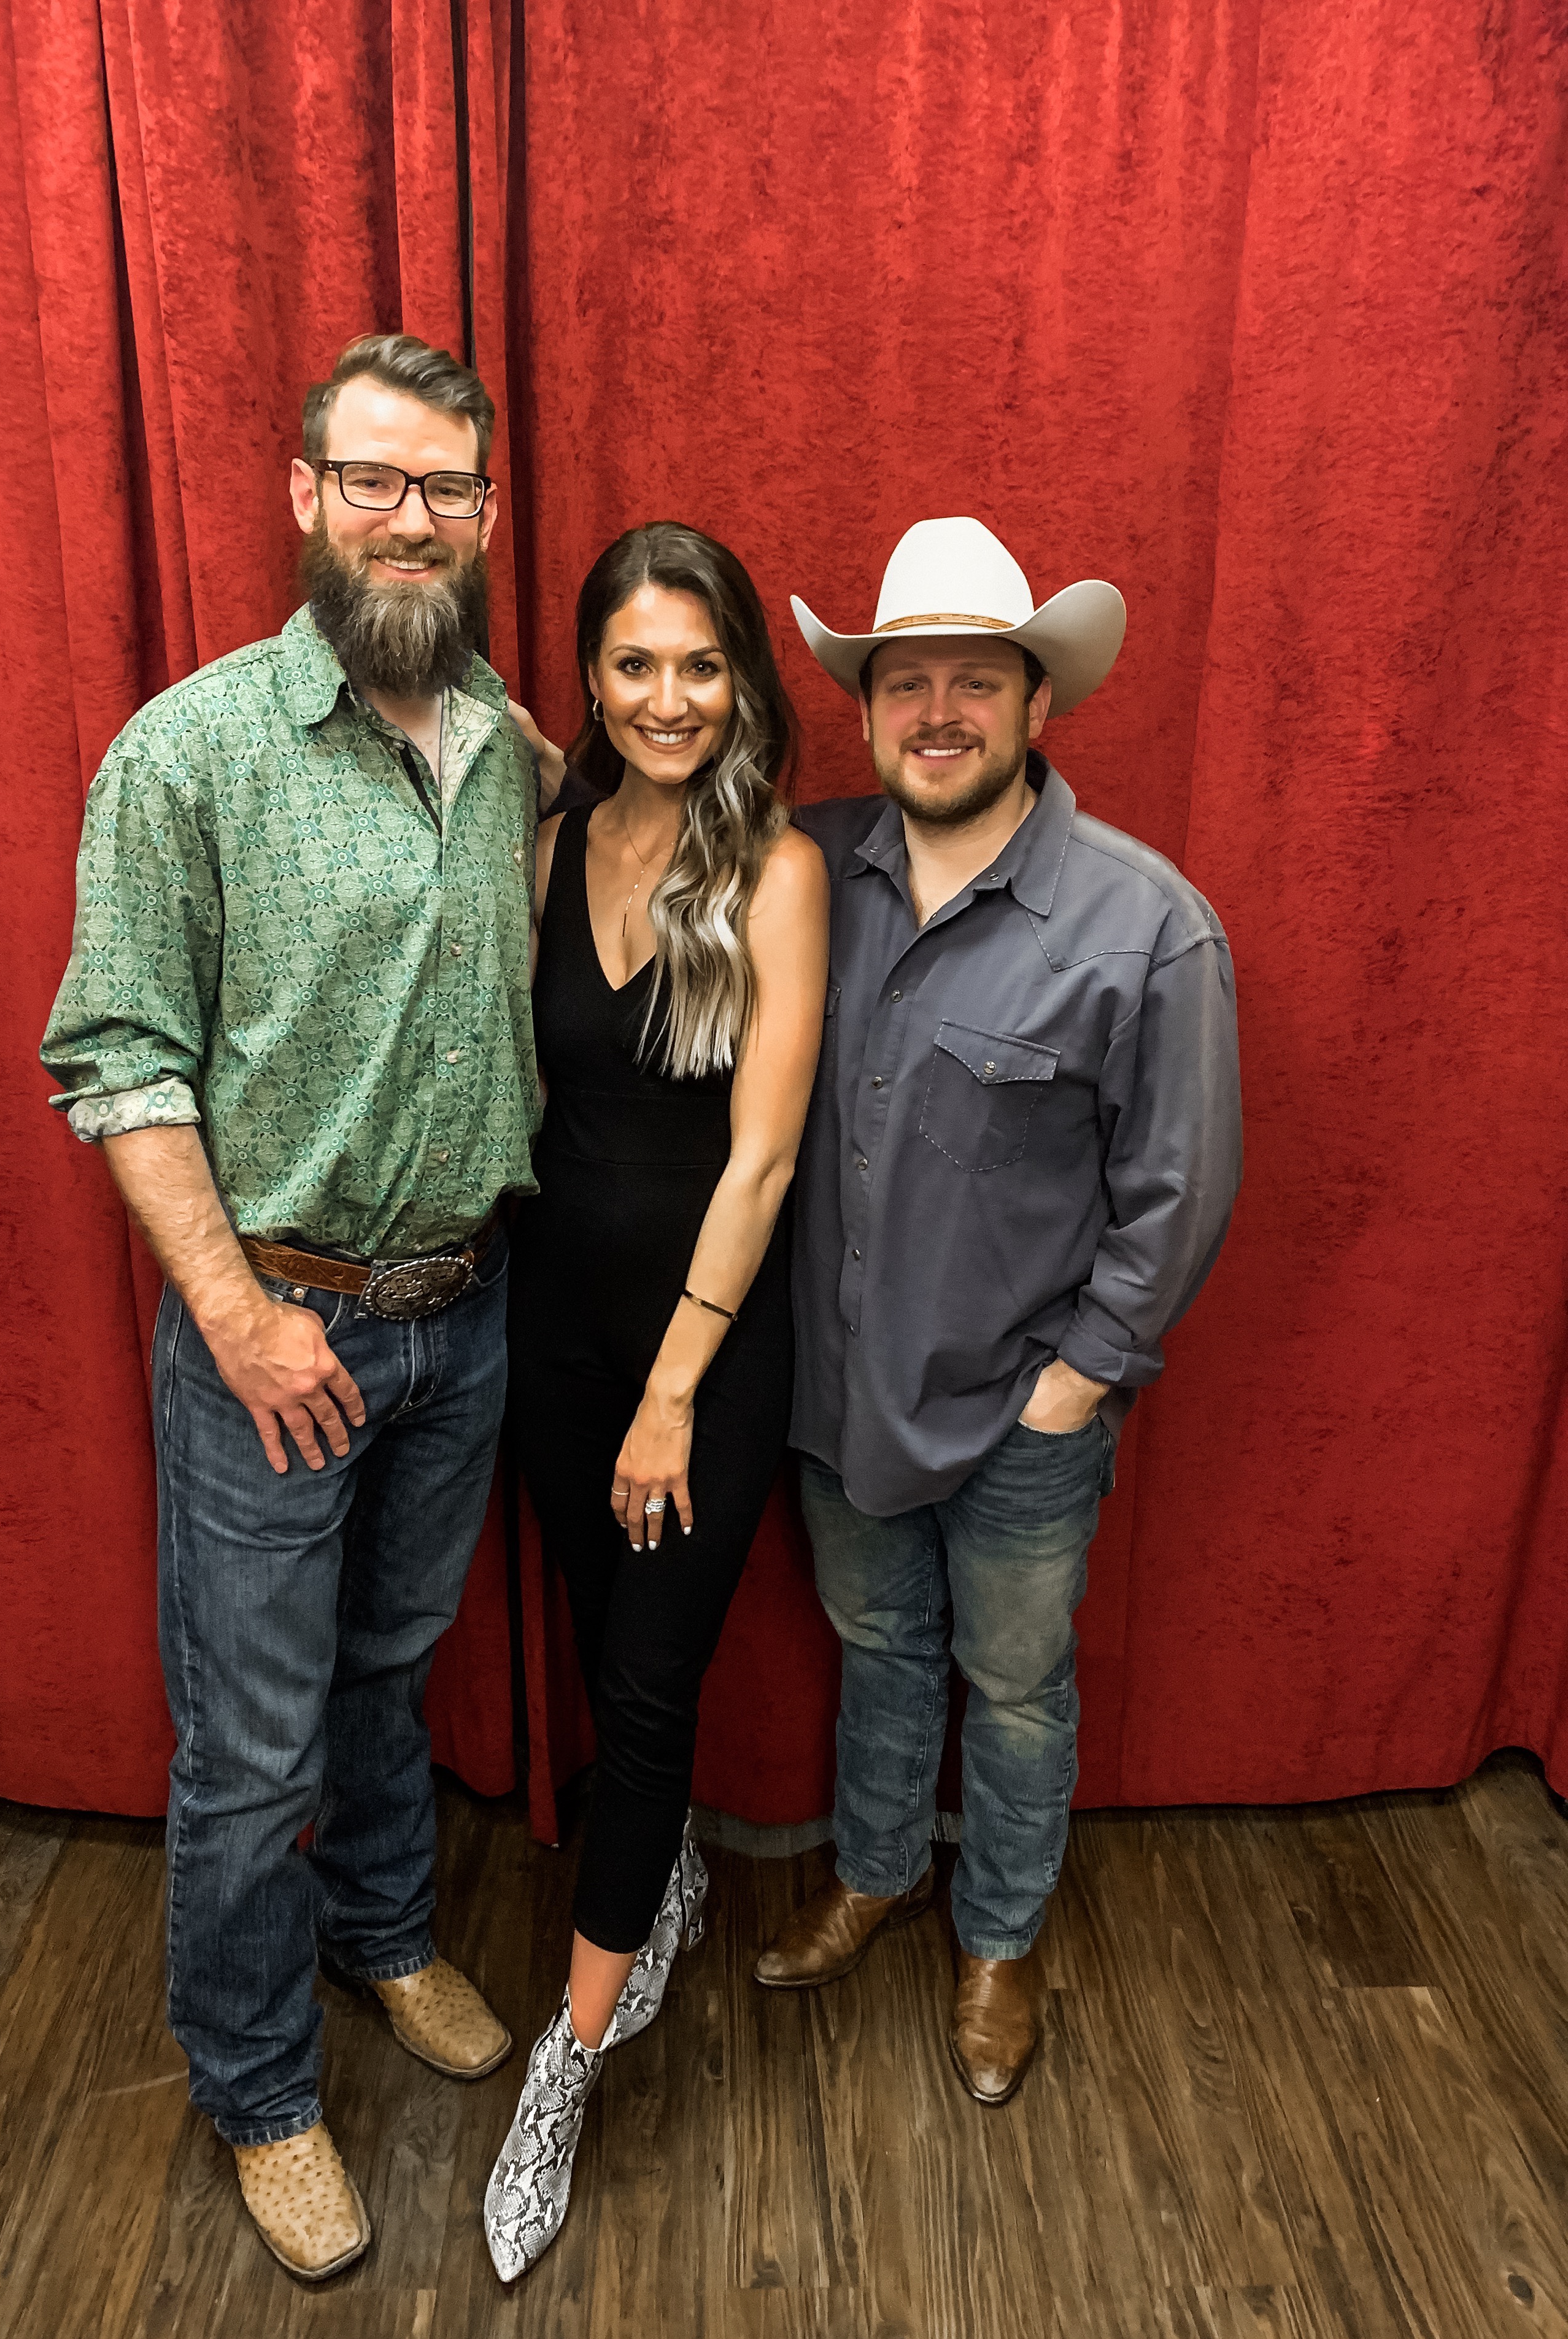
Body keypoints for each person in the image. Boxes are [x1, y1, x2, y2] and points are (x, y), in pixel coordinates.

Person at [41, 332, 563, 2283]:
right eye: (375, 481)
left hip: (465, 1316)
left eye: (448, 489)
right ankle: (261, 2090)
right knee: (252, 1749)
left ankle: (386, 1936)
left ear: (486, 514)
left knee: (390, 1670)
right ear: (305, 496)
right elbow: (118, 1056)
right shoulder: (189, 753)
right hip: (277, 1331)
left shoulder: (506, 744)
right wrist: (241, 1316)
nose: (411, 520)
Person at [756, 518, 1242, 2108]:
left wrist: (1079, 1377)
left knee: (1018, 1685)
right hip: (838, 1393)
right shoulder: (803, 869)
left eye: (977, 680)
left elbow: (1178, 1186)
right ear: (865, 707)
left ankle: (1000, 1938)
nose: (939, 711)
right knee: (878, 1644)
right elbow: (633, 857)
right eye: (907, 682)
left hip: (1027, 1412)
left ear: (1040, 702)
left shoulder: (1145, 923)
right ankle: (878, 1872)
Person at [484, 524, 829, 2281]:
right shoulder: (548, 842)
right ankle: (666, 1876)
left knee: (643, 1686)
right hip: (548, 1342)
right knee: (604, 1639)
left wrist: (673, 1392)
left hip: (703, 1359)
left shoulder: (776, 868)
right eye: (636, 664)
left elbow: (762, 1159)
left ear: (744, 678)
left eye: (701, 664)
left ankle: (567, 2061)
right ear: (592, 679)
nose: (670, 697)